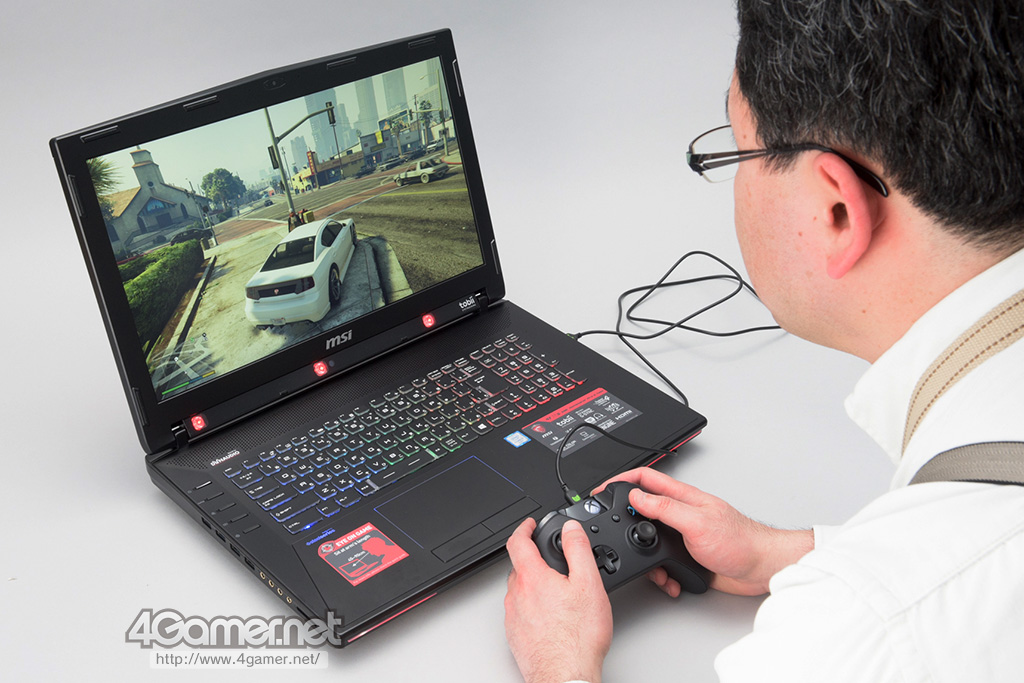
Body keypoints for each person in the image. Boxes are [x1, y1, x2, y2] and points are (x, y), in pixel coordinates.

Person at [504, 1, 1024, 681]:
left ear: (836, 211)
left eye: (736, 148)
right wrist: (790, 554)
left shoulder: (859, 633)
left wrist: (557, 659)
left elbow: (912, 606)